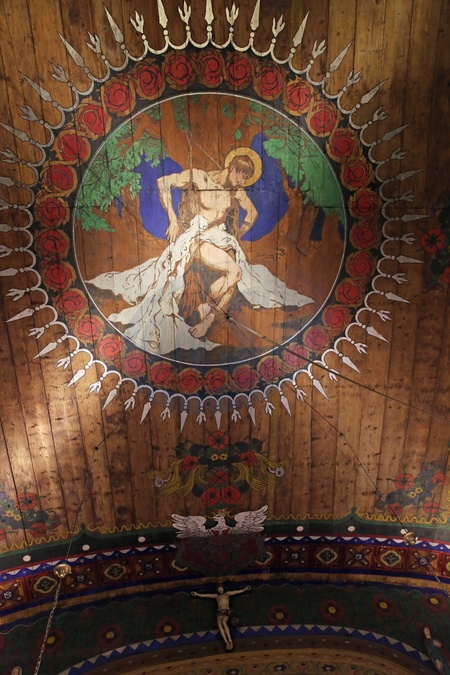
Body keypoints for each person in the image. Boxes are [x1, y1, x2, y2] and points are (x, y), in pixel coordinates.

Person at [88, 148, 314, 355]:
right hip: (196, 239)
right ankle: (206, 316)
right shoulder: (201, 177)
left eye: (246, 178)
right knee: (225, 273)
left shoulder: (236, 192)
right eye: (242, 176)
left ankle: (208, 312)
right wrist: (172, 220)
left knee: (235, 273)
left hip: (217, 239)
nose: (243, 182)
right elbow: (163, 182)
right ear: (232, 168)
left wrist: (238, 235)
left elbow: (252, 214)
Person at [191, 583, 251, 650]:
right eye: (219, 589)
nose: (220, 589)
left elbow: (236, 592)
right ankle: (227, 642)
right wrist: (197, 594)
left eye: (221, 588)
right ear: (217, 590)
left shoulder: (227, 594)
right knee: (222, 624)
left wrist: (245, 589)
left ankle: (229, 641)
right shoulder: (217, 596)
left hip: (225, 611)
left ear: (223, 588)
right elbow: (207, 595)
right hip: (222, 611)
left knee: (222, 624)